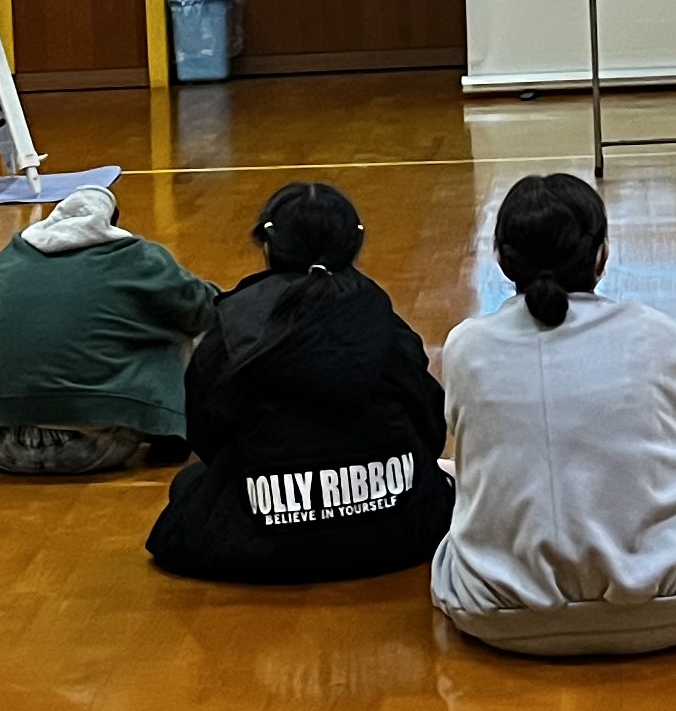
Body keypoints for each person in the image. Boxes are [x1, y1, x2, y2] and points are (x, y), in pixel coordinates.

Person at [431, 173, 676, 658]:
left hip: (494, 615)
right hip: (670, 611)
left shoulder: (465, 345)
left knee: (462, 482)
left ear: (502, 259)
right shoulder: (655, 332)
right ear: (601, 255)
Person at [148, 182, 453, 585]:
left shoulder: (232, 325)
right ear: (354, 244)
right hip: (396, 533)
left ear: (267, 244)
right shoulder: (385, 323)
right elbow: (430, 423)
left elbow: (206, 435)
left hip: (262, 538)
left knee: (191, 485)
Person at [0, 184, 215, 474]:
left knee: (4, 342)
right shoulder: (138, 257)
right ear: (110, 224)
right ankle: (170, 434)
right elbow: (205, 309)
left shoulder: (6, 261)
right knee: (168, 330)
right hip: (95, 447)